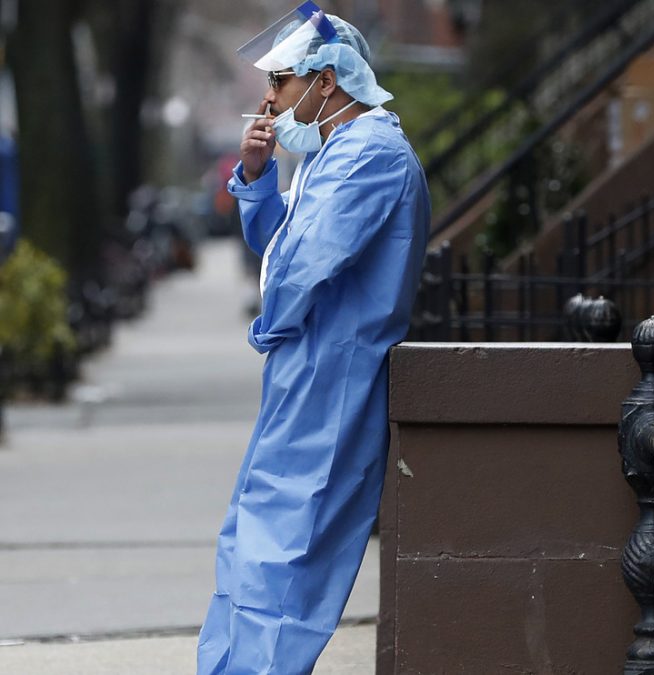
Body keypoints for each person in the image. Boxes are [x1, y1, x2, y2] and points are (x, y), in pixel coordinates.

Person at [197, 5, 429, 673]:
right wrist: (256, 180)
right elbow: (282, 251)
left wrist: (270, 328)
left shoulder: (372, 157)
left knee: (288, 552)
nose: (269, 99)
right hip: (308, 370)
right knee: (253, 539)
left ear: (327, 81)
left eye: (281, 81)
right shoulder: (336, 154)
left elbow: (299, 272)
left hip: (332, 378)